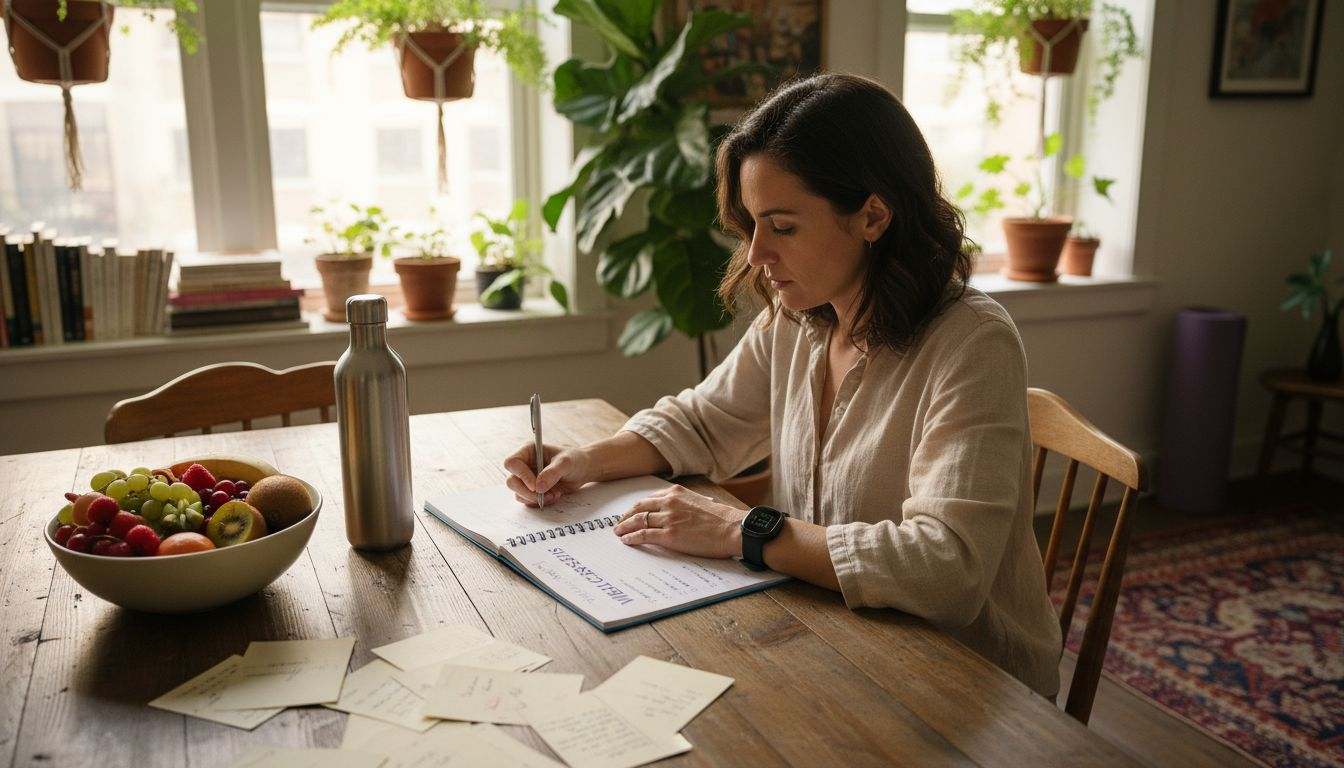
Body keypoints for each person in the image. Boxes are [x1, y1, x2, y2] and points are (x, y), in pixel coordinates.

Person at [503, 73, 1062, 696]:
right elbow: (703, 422)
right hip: (835, 637)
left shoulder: (972, 343)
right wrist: (581, 462)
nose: (756, 254)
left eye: (783, 226)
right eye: (751, 225)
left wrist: (739, 530)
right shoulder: (800, 318)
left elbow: (947, 569)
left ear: (873, 215)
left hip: (965, 679)